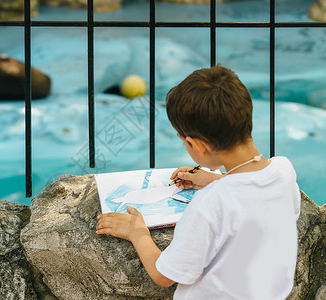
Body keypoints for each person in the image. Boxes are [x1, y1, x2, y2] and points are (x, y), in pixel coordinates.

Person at [96, 65, 301, 299]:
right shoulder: (283, 170)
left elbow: (165, 276)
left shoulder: (210, 203)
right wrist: (217, 180)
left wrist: (137, 232)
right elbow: (255, 199)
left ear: (198, 146)